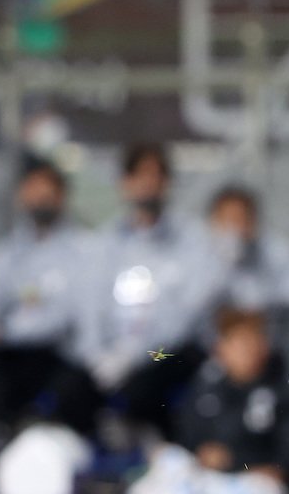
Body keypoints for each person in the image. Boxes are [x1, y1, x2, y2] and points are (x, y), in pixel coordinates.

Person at [0, 156, 98, 494]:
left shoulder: (84, 249)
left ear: (62, 196)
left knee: (77, 384)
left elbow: (64, 317)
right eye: (33, 190)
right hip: (15, 357)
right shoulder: (7, 252)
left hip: (65, 355)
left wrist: (4, 330)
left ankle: (78, 493)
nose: (40, 198)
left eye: (48, 190)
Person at [78, 143, 227, 440]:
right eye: (139, 175)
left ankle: (163, 452)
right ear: (125, 183)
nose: (148, 184)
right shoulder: (104, 243)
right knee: (72, 389)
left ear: (167, 184)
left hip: (166, 350)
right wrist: (96, 356)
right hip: (112, 353)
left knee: (148, 385)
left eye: (156, 176)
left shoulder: (192, 240)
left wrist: (132, 357)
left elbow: (186, 315)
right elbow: (88, 306)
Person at [126, 308, 289, 494]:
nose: (246, 351)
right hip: (206, 484)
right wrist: (200, 456)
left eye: (252, 342)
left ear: (264, 346)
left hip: (250, 488)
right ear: (221, 348)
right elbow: (187, 442)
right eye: (237, 343)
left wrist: (233, 461)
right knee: (164, 463)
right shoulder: (205, 390)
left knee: (269, 493)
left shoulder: (284, 393)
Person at [207, 185, 289, 310]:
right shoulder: (199, 256)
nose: (236, 228)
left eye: (241, 219)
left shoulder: (278, 254)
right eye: (229, 220)